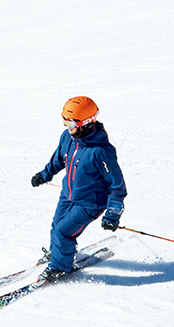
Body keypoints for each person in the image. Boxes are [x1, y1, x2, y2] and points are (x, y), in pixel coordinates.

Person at [29, 95, 127, 280]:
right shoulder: (68, 138)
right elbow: (58, 159)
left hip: (90, 203)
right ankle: (57, 253)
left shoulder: (101, 151)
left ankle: (59, 267)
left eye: (71, 124)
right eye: (64, 122)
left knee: (64, 232)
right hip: (68, 194)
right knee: (57, 224)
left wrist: (112, 214)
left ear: (86, 123)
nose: (67, 127)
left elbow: (117, 186)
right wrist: (44, 175)